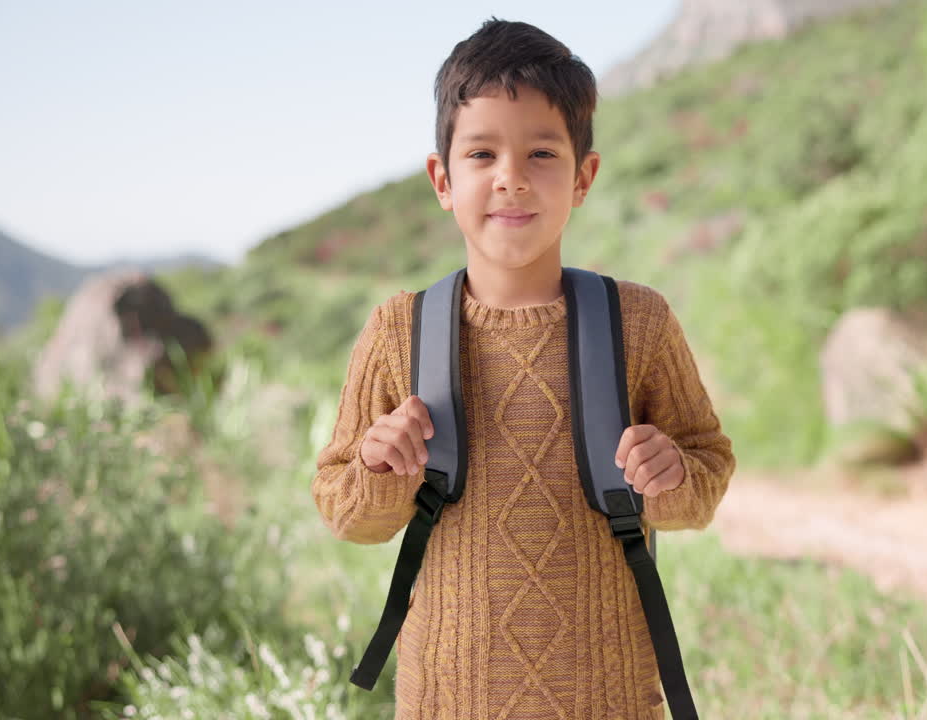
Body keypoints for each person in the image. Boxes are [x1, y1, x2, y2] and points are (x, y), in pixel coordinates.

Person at [311, 18, 735, 720]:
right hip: (446, 702)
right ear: (442, 179)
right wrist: (379, 471)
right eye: (482, 154)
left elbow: (707, 472)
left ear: (583, 177)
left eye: (541, 152)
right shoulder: (398, 332)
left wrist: (672, 476)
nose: (511, 179)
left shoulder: (640, 322)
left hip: (611, 700)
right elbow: (343, 507)